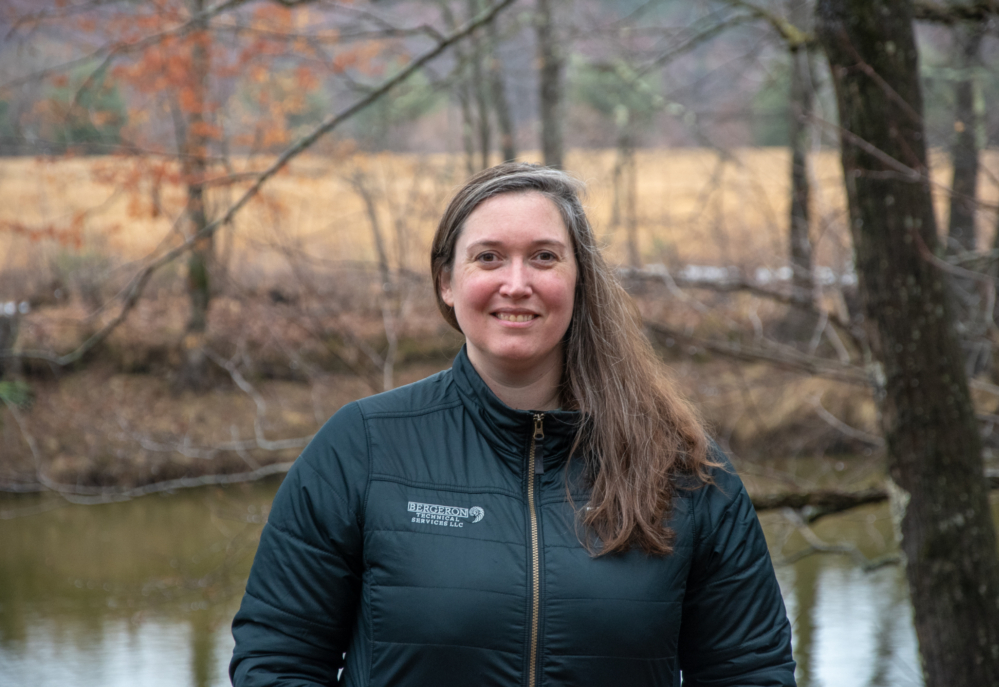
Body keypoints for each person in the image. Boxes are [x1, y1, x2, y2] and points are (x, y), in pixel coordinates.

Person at [230, 163, 796, 687]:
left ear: (579, 280)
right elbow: (278, 659)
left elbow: (750, 671)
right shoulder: (363, 448)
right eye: (489, 257)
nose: (517, 282)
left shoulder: (682, 467)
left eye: (545, 257)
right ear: (447, 282)